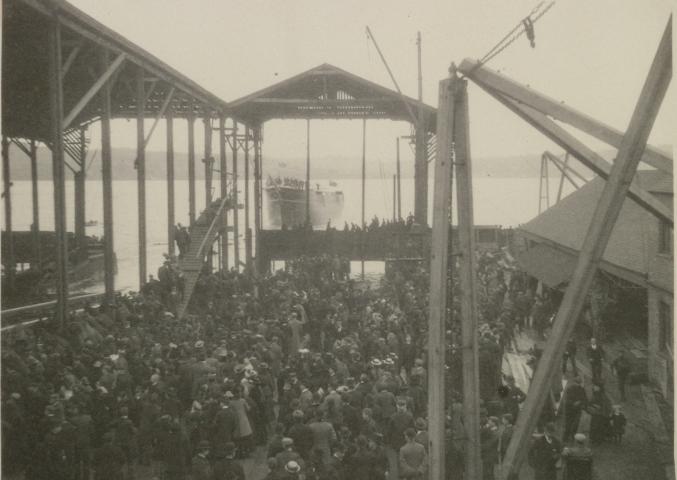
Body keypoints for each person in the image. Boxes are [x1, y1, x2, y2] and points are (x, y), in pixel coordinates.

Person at [561, 376, 587, 443]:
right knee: (570, 424)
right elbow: (584, 399)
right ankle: (568, 438)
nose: (577, 385)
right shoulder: (575, 389)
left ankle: (568, 438)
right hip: (571, 409)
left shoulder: (578, 389)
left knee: (571, 424)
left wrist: (579, 402)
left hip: (573, 409)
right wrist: (576, 403)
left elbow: (584, 399)